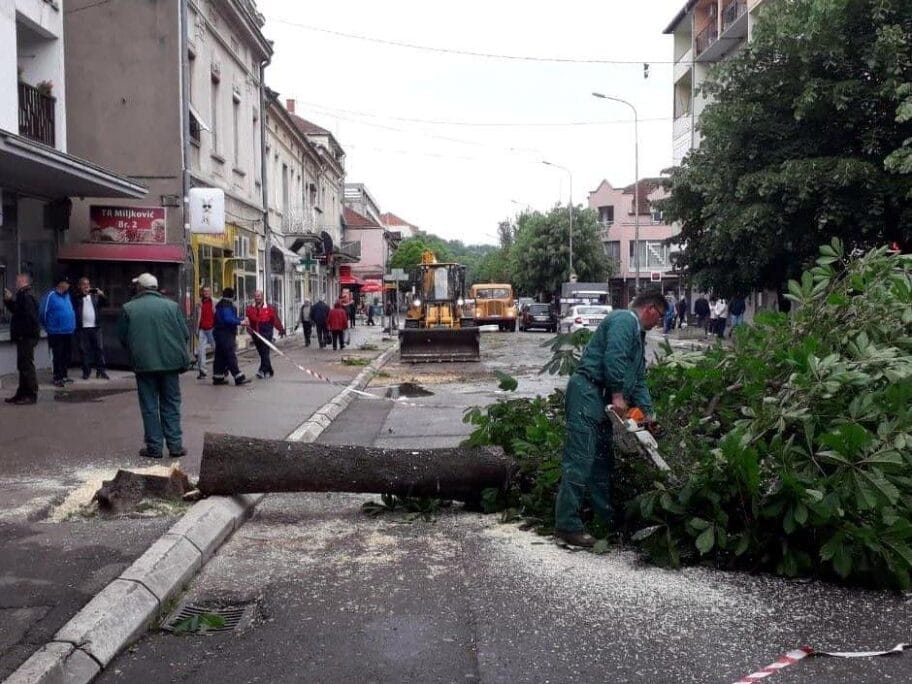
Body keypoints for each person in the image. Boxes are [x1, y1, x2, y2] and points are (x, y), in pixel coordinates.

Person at [553, 292, 667, 548]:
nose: (658, 323)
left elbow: (638, 380)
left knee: (603, 462)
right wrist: (617, 394)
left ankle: (605, 522)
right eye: (659, 317)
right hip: (587, 392)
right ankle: (567, 525)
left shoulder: (639, 337)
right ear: (650, 309)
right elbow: (613, 357)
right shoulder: (624, 320)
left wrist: (648, 415)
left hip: (603, 402)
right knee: (580, 460)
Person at [117, 273, 191, 459]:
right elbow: (185, 334)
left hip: (144, 365)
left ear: (141, 288)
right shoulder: (172, 306)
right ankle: (175, 446)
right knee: (171, 405)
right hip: (170, 365)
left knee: (149, 407)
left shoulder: (128, 308)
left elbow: (123, 338)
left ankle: (154, 447)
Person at [3, 273, 41, 405]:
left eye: (17, 280)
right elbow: (18, 312)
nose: (15, 283)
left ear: (24, 281)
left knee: (26, 366)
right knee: (22, 365)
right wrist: (8, 301)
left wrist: (25, 334)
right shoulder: (22, 295)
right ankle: (21, 394)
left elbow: (30, 318)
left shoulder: (26, 296)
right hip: (24, 337)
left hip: (26, 337)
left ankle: (30, 395)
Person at [40, 275, 76, 387]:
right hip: (55, 332)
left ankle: (64, 375)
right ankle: (57, 377)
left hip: (68, 331)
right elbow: (42, 312)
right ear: (60, 284)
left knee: (67, 355)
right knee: (58, 355)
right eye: (67, 283)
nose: (68, 285)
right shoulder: (50, 296)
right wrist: (48, 327)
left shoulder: (67, 296)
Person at [72, 277, 109, 380]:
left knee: (99, 349)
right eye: (84, 284)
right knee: (84, 351)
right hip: (83, 328)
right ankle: (86, 372)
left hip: (95, 327)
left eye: (88, 284)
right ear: (79, 286)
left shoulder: (95, 297)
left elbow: (106, 303)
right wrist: (83, 294)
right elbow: (75, 301)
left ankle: (101, 371)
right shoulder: (77, 297)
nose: (86, 286)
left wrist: (102, 295)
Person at [212, 287, 250, 386]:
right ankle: (238, 376)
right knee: (230, 355)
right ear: (232, 296)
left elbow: (229, 318)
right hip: (226, 334)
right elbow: (228, 319)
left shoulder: (220, 305)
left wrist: (241, 319)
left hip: (219, 333)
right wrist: (241, 322)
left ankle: (218, 376)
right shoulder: (226, 305)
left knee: (220, 356)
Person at [246, 290, 285, 379]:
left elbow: (275, 320)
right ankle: (269, 370)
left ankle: (262, 371)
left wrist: (281, 329)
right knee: (262, 354)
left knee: (264, 352)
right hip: (256, 334)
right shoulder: (250, 309)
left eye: (259, 296)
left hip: (266, 333)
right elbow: (248, 321)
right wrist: (249, 330)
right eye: (256, 296)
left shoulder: (270, 308)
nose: (257, 298)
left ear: (262, 297)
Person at [196, 286, 215, 379]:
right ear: (202, 293)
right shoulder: (200, 303)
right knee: (200, 350)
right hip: (202, 329)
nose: (206, 293)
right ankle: (202, 371)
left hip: (212, 329)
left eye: (208, 291)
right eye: (205, 291)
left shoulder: (214, 302)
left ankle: (222, 368)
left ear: (210, 292)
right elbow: (198, 316)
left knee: (216, 349)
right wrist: (197, 328)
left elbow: (216, 314)